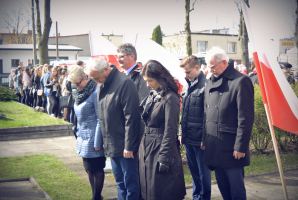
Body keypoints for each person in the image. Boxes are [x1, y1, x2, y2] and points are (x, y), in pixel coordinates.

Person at [85, 58, 140, 200]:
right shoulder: (102, 84)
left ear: (105, 69)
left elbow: (132, 118)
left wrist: (129, 146)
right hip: (112, 144)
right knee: (120, 183)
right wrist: (105, 140)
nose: (95, 82)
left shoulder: (124, 83)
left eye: (96, 78)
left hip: (125, 147)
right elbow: (103, 116)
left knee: (131, 185)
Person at [204, 46, 254, 200]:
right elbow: (206, 113)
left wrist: (240, 147)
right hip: (214, 145)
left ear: (224, 63)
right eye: (209, 67)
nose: (210, 70)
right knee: (223, 188)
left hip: (231, 147)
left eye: (213, 66)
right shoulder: (210, 82)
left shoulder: (241, 81)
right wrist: (203, 139)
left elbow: (245, 118)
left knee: (236, 190)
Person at [138, 60, 186, 200]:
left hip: (160, 148)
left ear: (160, 78)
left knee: (161, 192)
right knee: (148, 190)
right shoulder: (153, 94)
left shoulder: (170, 97)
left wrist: (164, 157)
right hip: (148, 147)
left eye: (150, 80)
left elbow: (170, 130)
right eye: (146, 81)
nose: (148, 84)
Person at [68, 65, 106, 200]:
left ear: (86, 77)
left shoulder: (95, 92)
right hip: (82, 137)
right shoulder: (78, 93)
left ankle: (96, 197)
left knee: (97, 169)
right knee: (89, 169)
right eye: (74, 84)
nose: (77, 86)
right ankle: (95, 196)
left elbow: (99, 118)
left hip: (94, 137)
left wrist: (98, 142)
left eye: (78, 83)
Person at [179, 56, 211, 200]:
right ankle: (196, 196)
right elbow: (183, 113)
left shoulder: (206, 85)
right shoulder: (187, 85)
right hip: (188, 138)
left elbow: (208, 116)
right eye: (184, 73)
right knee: (194, 173)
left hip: (200, 140)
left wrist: (204, 139)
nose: (186, 75)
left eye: (188, 72)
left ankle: (203, 197)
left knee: (203, 173)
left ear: (197, 68)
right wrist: (181, 133)